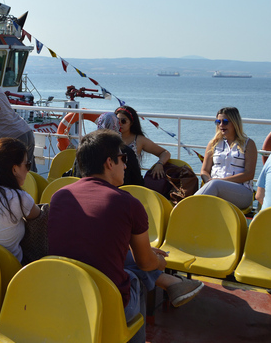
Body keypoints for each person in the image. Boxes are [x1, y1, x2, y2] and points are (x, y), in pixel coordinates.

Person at [48, 130, 203, 338]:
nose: (126, 164)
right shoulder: (128, 203)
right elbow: (146, 263)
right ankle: (165, 287)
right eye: (123, 158)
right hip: (104, 300)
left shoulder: (59, 196)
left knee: (129, 258)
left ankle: (171, 283)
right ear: (109, 163)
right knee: (136, 278)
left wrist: (142, 253)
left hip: (62, 292)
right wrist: (157, 262)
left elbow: (92, 243)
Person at [195, 107, 257, 210]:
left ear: (235, 123)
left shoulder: (248, 144)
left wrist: (220, 181)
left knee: (216, 185)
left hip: (242, 193)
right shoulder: (213, 144)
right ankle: (189, 212)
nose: (221, 125)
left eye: (225, 122)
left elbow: (249, 174)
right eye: (218, 122)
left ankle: (185, 210)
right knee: (215, 185)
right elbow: (204, 170)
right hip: (215, 187)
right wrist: (208, 180)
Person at [115, 106, 170, 179]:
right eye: (117, 121)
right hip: (113, 178)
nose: (120, 124)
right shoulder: (110, 137)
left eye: (123, 121)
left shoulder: (139, 140)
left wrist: (159, 164)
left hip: (132, 179)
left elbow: (165, 152)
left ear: (131, 123)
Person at [95, 112, 144, 186]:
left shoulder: (86, 149)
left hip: (89, 192)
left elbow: (77, 175)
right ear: (118, 127)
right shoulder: (126, 151)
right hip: (123, 193)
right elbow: (138, 181)